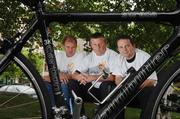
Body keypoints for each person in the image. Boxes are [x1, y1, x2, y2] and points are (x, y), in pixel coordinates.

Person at [68, 32, 119, 116]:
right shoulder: (89, 57)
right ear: (91, 45)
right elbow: (74, 74)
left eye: (100, 44)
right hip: (92, 90)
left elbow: (113, 77)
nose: (98, 47)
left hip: (107, 90)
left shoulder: (113, 56)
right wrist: (80, 77)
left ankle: (105, 114)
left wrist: (93, 77)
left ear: (105, 43)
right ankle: (81, 115)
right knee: (73, 83)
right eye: (95, 44)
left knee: (105, 84)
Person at [113, 35, 158, 119]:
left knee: (148, 92)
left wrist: (133, 86)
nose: (124, 49)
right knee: (115, 92)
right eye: (121, 47)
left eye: (127, 46)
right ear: (118, 49)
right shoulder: (118, 58)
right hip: (127, 90)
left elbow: (152, 81)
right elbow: (118, 78)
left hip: (141, 89)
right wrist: (123, 87)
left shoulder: (144, 57)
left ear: (133, 45)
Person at [43, 35, 86, 114]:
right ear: (63, 46)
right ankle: (54, 110)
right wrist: (59, 76)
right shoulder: (58, 55)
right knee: (46, 84)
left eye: (73, 47)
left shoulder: (80, 56)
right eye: (68, 47)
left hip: (74, 84)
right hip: (58, 82)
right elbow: (45, 77)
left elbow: (74, 75)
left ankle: (66, 112)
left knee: (64, 84)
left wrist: (61, 75)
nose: (70, 50)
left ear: (76, 47)